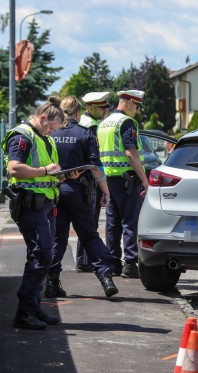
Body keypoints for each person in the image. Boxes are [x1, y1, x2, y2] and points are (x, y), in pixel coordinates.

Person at [2, 96, 65, 330]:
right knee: (42, 255)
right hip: (30, 205)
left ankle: (33, 307)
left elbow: (47, 171)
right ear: (42, 117)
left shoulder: (42, 137)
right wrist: (45, 170)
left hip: (45, 204)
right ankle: (25, 312)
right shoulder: (22, 136)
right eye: (51, 127)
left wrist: (63, 174)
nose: (52, 132)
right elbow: (15, 168)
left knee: (41, 256)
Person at [47, 95, 119, 298]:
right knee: (89, 235)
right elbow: (95, 168)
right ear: (78, 112)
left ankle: (51, 283)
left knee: (58, 238)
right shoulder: (85, 134)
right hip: (80, 193)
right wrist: (105, 191)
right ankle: (106, 278)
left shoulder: (51, 133)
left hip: (54, 193)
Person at [98, 90, 149, 278]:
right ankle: (130, 263)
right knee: (130, 222)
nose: (136, 110)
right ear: (128, 103)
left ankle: (113, 263)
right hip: (125, 179)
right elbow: (130, 153)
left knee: (112, 224)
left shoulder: (104, 123)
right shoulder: (126, 123)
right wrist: (144, 179)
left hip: (107, 180)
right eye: (136, 106)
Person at [75, 91, 111, 272]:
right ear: (90, 107)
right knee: (89, 222)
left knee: (87, 221)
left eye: (105, 107)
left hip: (82, 179)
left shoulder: (87, 122)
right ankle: (84, 261)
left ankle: (84, 259)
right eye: (101, 107)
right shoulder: (91, 126)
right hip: (90, 179)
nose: (105, 111)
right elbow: (94, 159)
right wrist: (102, 182)